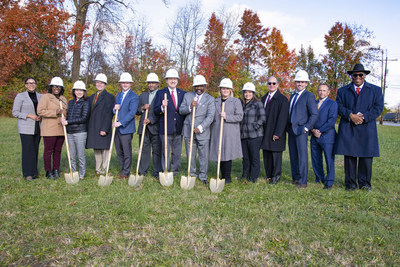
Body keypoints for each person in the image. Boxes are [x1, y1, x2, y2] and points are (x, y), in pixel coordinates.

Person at [336, 63, 384, 191]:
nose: (357, 77)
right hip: (349, 127)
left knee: (366, 158)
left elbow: (378, 108)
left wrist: (363, 118)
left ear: (365, 75)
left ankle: (364, 184)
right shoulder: (342, 91)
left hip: (367, 128)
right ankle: (350, 184)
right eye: (355, 74)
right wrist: (350, 115)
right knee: (350, 157)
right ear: (351, 76)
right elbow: (339, 106)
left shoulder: (376, 90)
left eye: (360, 74)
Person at [179, 75, 215, 184]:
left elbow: (210, 116)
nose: (199, 88)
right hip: (188, 130)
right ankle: (192, 173)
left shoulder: (210, 99)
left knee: (203, 155)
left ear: (205, 86)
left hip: (202, 132)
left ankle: (203, 175)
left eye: (201, 86)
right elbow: (181, 110)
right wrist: (190, 107)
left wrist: (200, 128)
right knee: (191, 153)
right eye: (196, 86)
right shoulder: (187, 96)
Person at [287, 70, 318, 188]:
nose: (300, 83)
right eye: (298, 81)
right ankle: (295, 178)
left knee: (302, 156)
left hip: (301, 130)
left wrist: (307, 128)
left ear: (306, 84)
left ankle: (303, 181)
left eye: (302, 82)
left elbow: (314, 114)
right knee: (293, 155)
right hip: (291, 129)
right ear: (295, 83)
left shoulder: (309, 96)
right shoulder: (293, 95)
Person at [209, 78, 243, 184]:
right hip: (217, 131)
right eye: (223, 88)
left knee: (227, 154)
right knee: (220, 153)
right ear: (220, 89)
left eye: (227, 89)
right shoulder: (215, 101)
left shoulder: (236, 101)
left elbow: (240, 116)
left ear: (230, 90)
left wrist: (227, 116)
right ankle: (221, 176)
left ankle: (227, 178)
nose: (225, 90)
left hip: (230, 132)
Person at [153, 68, 186, 176]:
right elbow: (156, 110)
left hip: (178, 127)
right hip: (166, 128)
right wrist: (162, 106)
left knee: (177, 152)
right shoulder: (160, 93)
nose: (173, 81)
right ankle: (164, 171)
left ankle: (175, 172)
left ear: (177, 80)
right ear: (166, 80)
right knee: (165, 152)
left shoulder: (182, 93)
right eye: (170, 79)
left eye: (175, 79)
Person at [12, 77, 42, 181]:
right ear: (25, 85)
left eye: (33, 83)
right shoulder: (20, 96)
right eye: (29, 83)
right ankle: (27, 173)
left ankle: (34, 171)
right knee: (27, 150)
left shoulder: (40, 96)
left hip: (38, 127)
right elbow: (15, 112)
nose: (31, 85)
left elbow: (42, 109)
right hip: (26, 127)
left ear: (36, 84)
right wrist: (29, 115)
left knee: (35, 149)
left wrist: (40, 116)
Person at [37, 77, 67, 179]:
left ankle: (56, 169)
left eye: (59, 86)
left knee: (58, 151)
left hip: (61, 129)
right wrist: (56, 112)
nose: (56, 88)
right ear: (51, 87)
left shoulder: (63, 99)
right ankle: (48, 171)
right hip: (49, 129)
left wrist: (64, 115)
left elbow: (66, 112)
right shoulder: (46, 97)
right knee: (48, 151)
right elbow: (40, 111)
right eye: (54, 86)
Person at [260, 76, 289, 184]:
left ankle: (276, 176)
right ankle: (269, 175)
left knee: (276, 156)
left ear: (277, 85)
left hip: (276, 132)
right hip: (265, 131)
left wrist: (278, 132)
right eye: (269, 83)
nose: (271, 85)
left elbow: (283, 117)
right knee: (266, 154)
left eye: (273, 83)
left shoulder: (282, 99)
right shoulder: (264, 98)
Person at [86, 74, 115, 175]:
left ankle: (105, 168)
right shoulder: (91, 97)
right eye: (97, 82)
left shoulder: (110, 97)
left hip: (103, 126)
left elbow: (109, 114)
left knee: (105, 149)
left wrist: (104, 128)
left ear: (105, 84)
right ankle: (98, 169)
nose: (99, 84)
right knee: (97, 148)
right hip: (93, 126)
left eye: (101, 83)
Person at [310, 83, 338, 189]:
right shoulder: (314, 103)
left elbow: (331, 120)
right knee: (316, 159)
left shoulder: (332, 104)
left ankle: (329, 182)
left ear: (328, 92)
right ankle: (319, 178)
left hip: (327, 136)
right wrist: (313, 130)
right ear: (318, 91)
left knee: (329, 159)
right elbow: (310, 118)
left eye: (324, 90)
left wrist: (319, 130)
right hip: (314, 135)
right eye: (320, 90)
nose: (322, 92)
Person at [61, 81, 90, 180]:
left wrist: (68, 122)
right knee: (72, 154)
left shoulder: (86, 102)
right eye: (77, 90)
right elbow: (69, 114)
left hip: (80, 132)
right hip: (70, 132)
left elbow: (84, 118)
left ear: (84, 91)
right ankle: (73, 171)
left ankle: (81, 174)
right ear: (74, 91)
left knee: (80, 154)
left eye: (81, 90)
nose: (79, 92)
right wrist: (64, 119)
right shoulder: (71, 102)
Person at [113, 72, 139, 179]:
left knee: (126, 151)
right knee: (119, 150)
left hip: (126, 128)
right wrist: (114, 109)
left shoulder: (134, 96)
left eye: (127, 82)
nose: (125, 84)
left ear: (130, 84)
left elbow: (131, 113)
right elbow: (115, 109)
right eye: (123, 82)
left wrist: (121, 123)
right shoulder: (118, 95)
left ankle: (126, 172)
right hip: (117, 128)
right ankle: (123, 167)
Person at [136, 73, 162, 178]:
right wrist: (142, 108)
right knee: (143, 150)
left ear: (157, 84)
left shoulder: (160, 95)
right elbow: (137, 111)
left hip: (155, 128)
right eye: (149, 83)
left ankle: (156, 172)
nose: (151, 85)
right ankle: (142, 171)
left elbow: (162, 112)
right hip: (143, 128)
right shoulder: (142, 96)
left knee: (156, 151)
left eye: (153, 83)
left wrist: (151, 120)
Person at [240, 82, 266, 182]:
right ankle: (245, 174)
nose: (247, 94)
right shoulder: (241, 104)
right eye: (246, 92)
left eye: (250, 92)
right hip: (243, 135)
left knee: (254, 157)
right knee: (245, 158)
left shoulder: (257, 104)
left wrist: (255, 126)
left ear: (253, 93)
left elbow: (262, 118)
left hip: (255, 135)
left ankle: (254, 177)